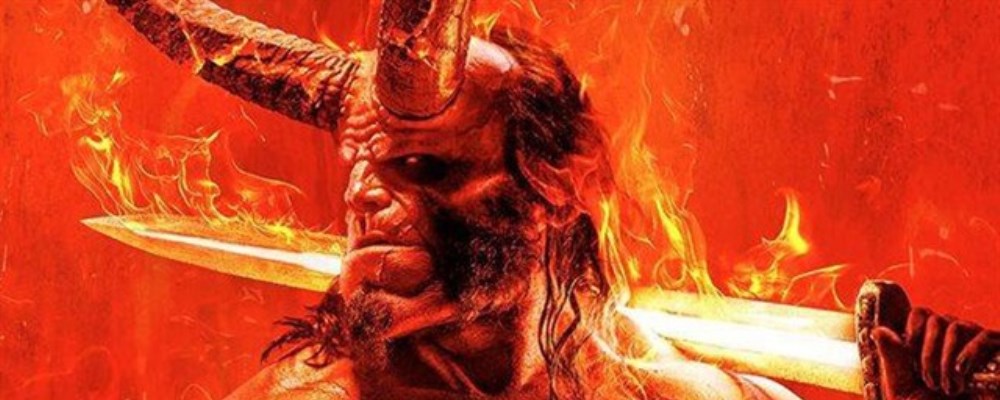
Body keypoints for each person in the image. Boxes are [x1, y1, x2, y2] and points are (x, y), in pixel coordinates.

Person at [104, 0, 998, 398]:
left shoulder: (665, 391)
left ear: (552, 191)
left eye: (425, 167)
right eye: (362, 170)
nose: (367, 201)